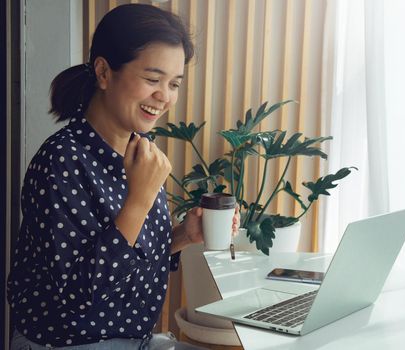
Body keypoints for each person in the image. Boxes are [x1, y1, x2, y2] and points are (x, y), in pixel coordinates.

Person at [7, 4, 239, 349]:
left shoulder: (138, 150)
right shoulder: (61, 159)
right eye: (152, 79)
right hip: (68, 343)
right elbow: (79, 295)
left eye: (173, 83)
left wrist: (182, 237)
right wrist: (139, 200)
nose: (164, 96)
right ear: (104, 72)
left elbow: (127, 258)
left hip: (133, 340)